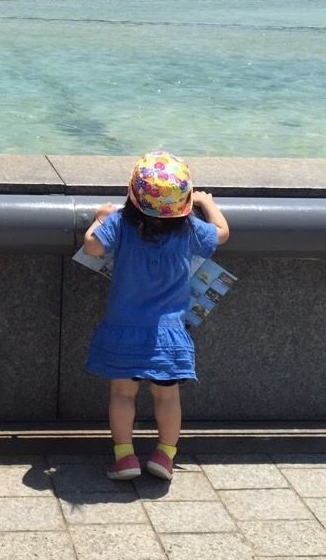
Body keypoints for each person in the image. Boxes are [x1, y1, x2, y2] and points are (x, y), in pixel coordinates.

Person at [83, 151, 229, 481]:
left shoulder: (120, 223)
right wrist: (207, 203)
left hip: (125, 329)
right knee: (167, 395)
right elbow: (221, 233)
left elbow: (92, 246)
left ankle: (125, 458)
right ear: (185, 200)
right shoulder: (188, 228)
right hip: (169, 334)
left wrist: (100, 217)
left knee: (122, 394)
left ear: (132, 194)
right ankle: (164, 456)